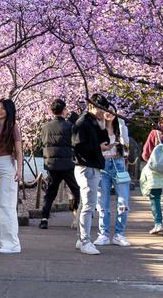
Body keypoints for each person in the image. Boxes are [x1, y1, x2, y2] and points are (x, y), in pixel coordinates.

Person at [72, 92, 112, 254]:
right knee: (89, 206)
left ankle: (81, 239)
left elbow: (105, 141)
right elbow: (78, 146)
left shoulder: (94, 122)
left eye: (104, 109)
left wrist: (104, 126)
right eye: (100, 108)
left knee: (85, 204)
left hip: (92, 166)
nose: (102, 112)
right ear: (91, 106)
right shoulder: (82, 123)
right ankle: (85, 240)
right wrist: (98, 148)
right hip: (86, 167)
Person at [0, 98, 23, 253]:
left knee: (6, 205)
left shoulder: (13, 126)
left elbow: (19, 151)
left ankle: (12, 243)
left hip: (7, 166)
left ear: (9, 110)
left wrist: (19, 170)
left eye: (2, 108)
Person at [38, 98, 80, 230]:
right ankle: (79, 217)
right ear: (63, 111)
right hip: (67, 164)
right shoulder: (70, 126)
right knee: (77, 190)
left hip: (52, 164)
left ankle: (44, 218)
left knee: (50, 192)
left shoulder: (45, 127)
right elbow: (75, 143)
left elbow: (43, 144)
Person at [95, 103, 133, 247]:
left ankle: (119, 234)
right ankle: (103, 234)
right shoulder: (99, 128)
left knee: (123, 202)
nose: (109, 114)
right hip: (103, 165)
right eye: (106, 111)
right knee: (102, 202)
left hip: (119, 164)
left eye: (112, 111)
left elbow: (127, 146)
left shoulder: (120, 127)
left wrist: (122, 123)